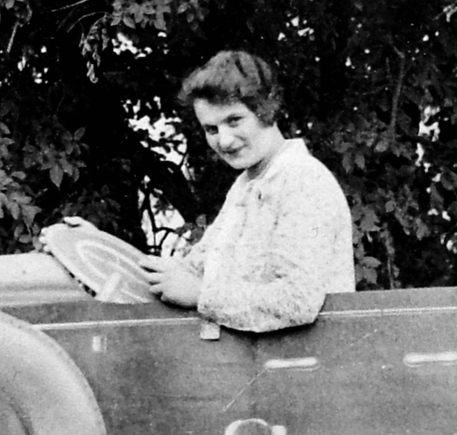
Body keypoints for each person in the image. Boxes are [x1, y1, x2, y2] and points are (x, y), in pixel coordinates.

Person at [141, 51, 355, 332]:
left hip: (303, 364)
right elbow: (192, 270)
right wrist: (93, 243)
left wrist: (201, 295)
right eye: (211, 129)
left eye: (234, 120)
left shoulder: (303, 181)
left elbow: (298, 301)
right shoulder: (247, 185)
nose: (225, 141)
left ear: (266, 109)